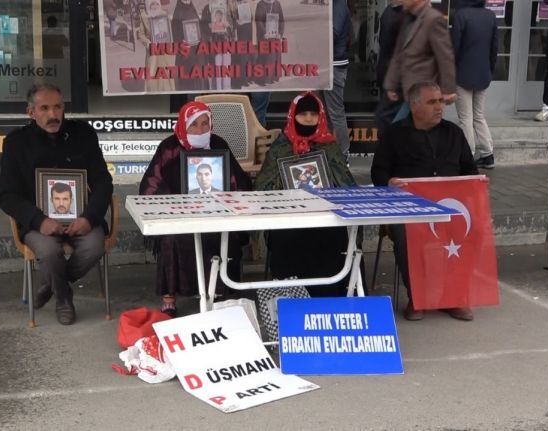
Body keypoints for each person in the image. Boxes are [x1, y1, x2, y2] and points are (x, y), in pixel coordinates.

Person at [0, 84, 113, 325]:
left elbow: (103, 182)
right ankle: (63, 299)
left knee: (94, 247)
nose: (53, 114)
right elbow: (6, 195)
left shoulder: (83, 135)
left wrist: (89, 218)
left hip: (81, 217)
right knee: (50, 252)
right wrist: (39, 221)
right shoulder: (16, 143)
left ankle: (50, 284)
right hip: (39, 223)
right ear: (31, 112)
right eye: (45, 108)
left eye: (58, 107)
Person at [370, 81, 478, 322]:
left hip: (450, 207)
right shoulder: (394, 134)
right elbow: (378, 172)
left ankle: (453, 296)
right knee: (404, 234)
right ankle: (418, 297)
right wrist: (389, 182)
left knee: (472, 228)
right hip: (409, 209)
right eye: (432, 102)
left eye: (440, 101)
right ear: (414, 106)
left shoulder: (454, 133)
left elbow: (470, 171)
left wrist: (476, 184)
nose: (439, 107)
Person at [139, 101, 252, 316]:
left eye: (204, 124)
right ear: (184, 125)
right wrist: (176, 204)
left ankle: (218, 291)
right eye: (194, 125)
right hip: (178, 214)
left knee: (225, 234)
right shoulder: (169, 148)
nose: (200, 130)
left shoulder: (218, 143)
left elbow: (236, 180)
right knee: (172, 236)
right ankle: (169, 295)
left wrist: (226, 199)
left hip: (215, 213)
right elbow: (152, 184)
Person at [255, 92, 359, 297]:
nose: (309, 119)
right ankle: (292, 298)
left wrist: (330, 192)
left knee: (334, 236)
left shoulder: (330, 145)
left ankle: (330, 296)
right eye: (303, 114)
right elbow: (262, 186)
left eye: (313, 114)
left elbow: (345, 183)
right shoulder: (280, 147)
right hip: (289, 217)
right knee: (286, 237)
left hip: (325, 217)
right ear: (293, 116)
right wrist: (286, 193)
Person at [384, 0, 456, 122]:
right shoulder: (408, 19)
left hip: (424, 93)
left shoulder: (433, 19)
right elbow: (399, 54)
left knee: (401, 129)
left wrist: (448, 90)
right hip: (410, 92)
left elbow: (445, 57)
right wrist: (391, 83)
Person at [452, 0, 498, 170]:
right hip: (483, 74)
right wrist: (490, 70)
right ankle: (488, 154)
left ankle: (468, 156)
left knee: (465, 118)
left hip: (462, 74)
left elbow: (454, 47)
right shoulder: (491, 16)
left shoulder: (461, 15)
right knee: (478, 115)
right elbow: (494, 48)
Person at [321, 0, 352, 162]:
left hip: (334, 65)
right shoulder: (331, 4)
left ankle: (343, 155)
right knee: (326, 113)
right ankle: (331, 152)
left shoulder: (338, 4)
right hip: (325, 64)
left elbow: (332, 33)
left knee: (335, 113)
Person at [374, 0, 404, 136]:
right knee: (389, 116)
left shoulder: (389, 12)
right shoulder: (398, 15)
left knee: (387, 116)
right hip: (395, 76)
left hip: (390, 73)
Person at [136, 0, 176, 92]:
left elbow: (169, 33)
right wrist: (148, 42)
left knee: (166, 75)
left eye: (156, 4)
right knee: (152, 75)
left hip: (164, 51)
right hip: (152, 52)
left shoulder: (164, 14)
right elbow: (141, 34)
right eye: (152, 4)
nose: (154, 6)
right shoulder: (144, 15)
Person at [171, 0, 209, 91]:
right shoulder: (178, 12)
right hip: (186, 51)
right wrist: (181, 41)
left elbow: (199, 27)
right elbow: (175, 32)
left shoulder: (192, 8)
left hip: (197, 49)